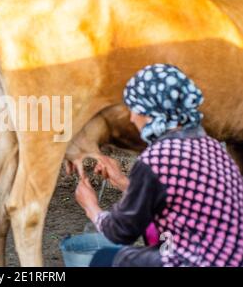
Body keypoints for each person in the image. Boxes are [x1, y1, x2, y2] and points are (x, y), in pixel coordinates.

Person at [68, 64, 243, 267]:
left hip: (197, 262)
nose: (132, 118)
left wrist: (91, 207)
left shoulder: (157, 157)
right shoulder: (211, 147)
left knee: (104, 259)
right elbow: (180, 199)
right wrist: (124, 182)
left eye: (135, 109)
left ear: (152, 110)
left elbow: (122, 232)